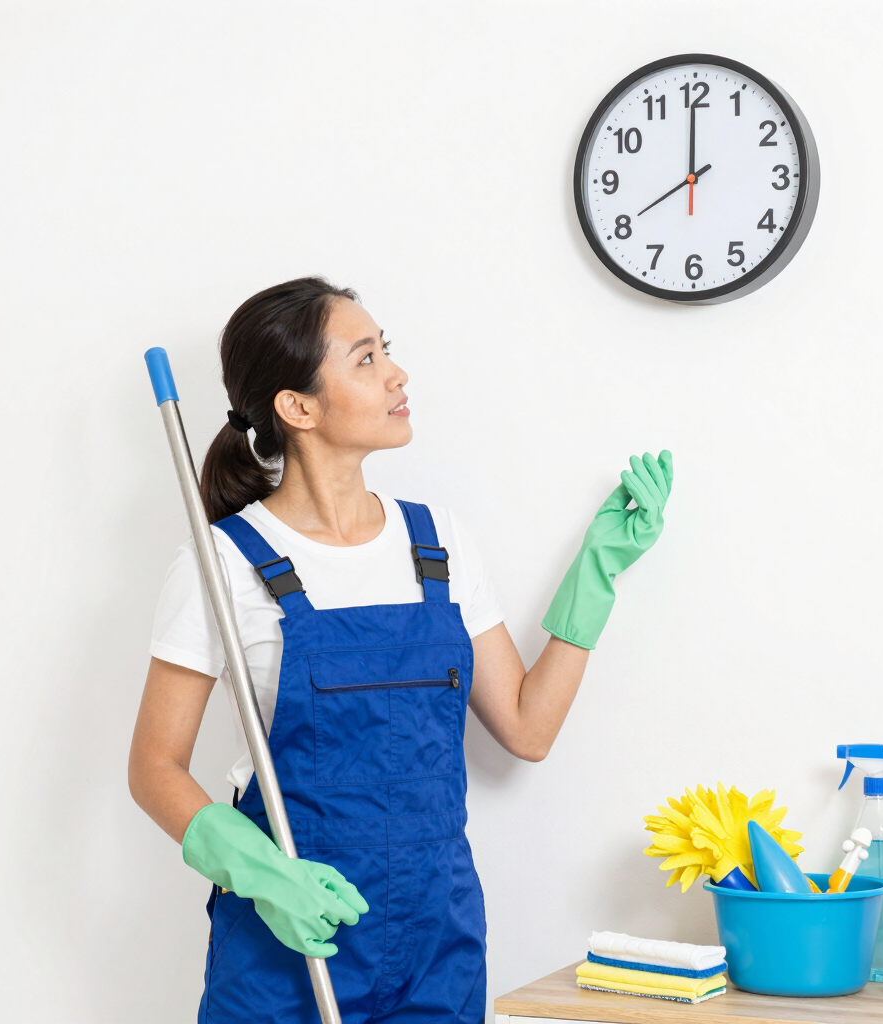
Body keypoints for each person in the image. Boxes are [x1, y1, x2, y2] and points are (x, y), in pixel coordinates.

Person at [128, 277, 673, 1024]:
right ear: (298, 407)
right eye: (366, 358)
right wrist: (257, 872)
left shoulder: (436, 544)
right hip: (289, 948)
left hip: (436, 945)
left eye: (387, 350)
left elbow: (528, 729)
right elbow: (154, 766)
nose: (397, 374)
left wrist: (596, 571)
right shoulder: (221, 565)